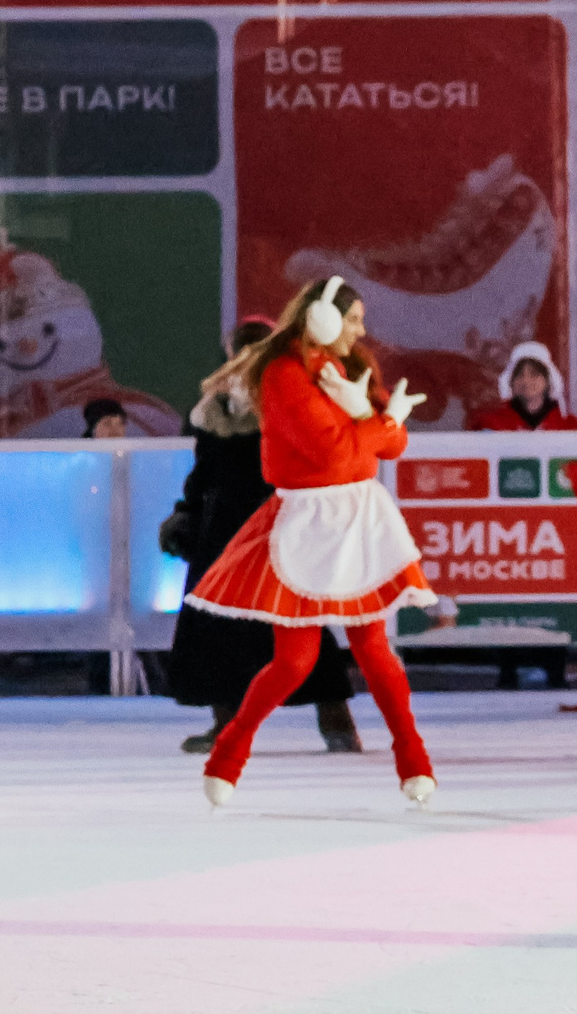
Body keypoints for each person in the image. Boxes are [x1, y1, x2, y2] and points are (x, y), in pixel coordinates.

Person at [184, 277, 440, 809]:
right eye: (351, 320)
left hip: (359, 516)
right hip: (307, 521)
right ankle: (229, 753)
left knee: (374, 649)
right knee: (294, 661)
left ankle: (414, 761)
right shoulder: (281, 375)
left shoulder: (348, 365)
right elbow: (332, 454)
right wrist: (379, 421)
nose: (361, 330)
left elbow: (391, 445)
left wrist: (372, 418)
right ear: (320, 320)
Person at [160, 319, 362, 757]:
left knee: (295, 623)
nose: (246, 356)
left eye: (255, 347)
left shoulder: (292, 400)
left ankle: (336, 721)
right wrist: (186, 514)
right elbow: (204, 473)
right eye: (240, 348)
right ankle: (225, 725)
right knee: (215, 626)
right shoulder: (214, 407)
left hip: (277, 527)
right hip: (221, 534)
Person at [466, 341, 577, 432]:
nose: (526, 381)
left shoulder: (573, 429)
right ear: (511, 382)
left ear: (549, 381)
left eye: (534, 375)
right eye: (520, 375)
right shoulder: (490, 424)